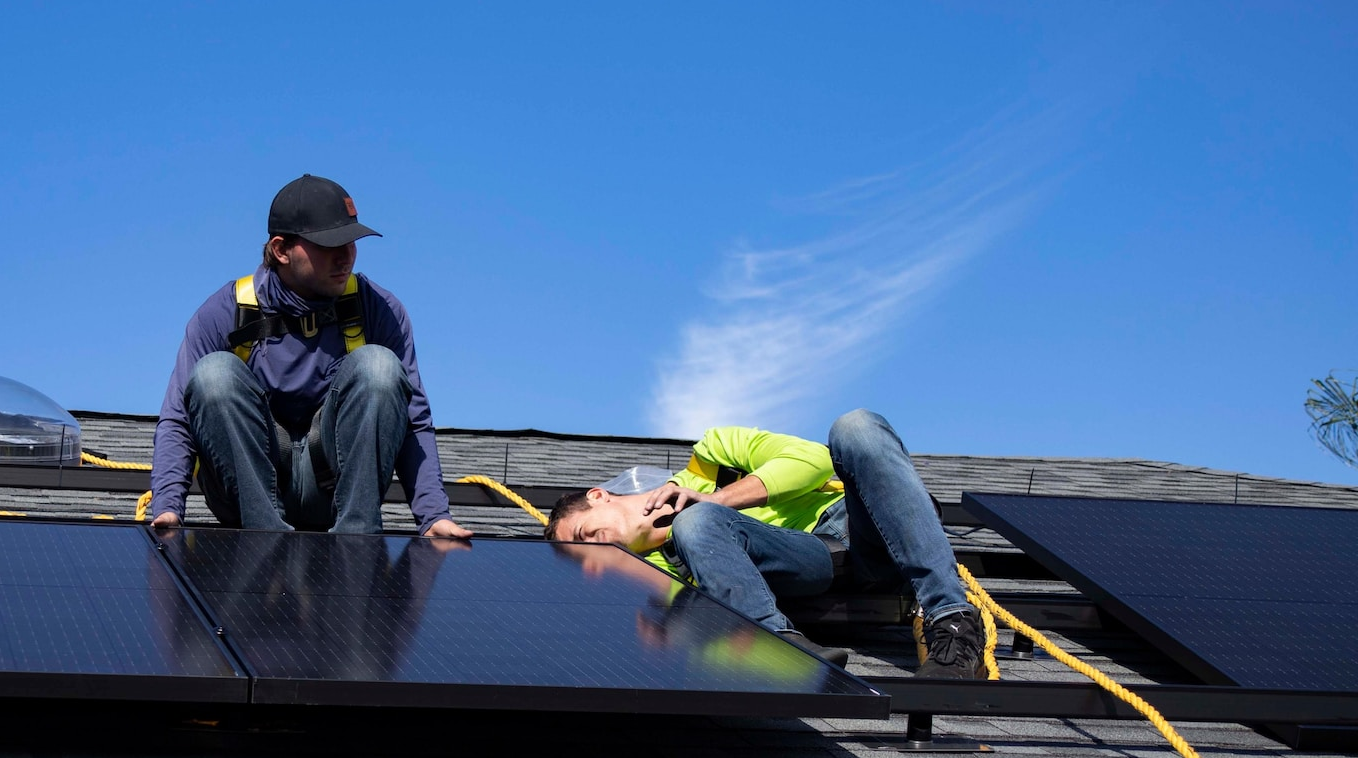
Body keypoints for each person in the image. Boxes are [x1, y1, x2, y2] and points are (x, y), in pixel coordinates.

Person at [543, 409, 989, 678]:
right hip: (814, 561)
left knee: (857, 426)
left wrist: (716, 498)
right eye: (584, 555)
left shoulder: (713, 454)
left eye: (584, 535)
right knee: (696, 524)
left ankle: (952, 624)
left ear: (598, 495)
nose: (593, 551)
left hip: (871, 525)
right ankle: (781, 645)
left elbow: (814, 461)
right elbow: (694, 628)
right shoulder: (652, 573)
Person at [149, 174, 471, 538]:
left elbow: (413, 420)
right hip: (249, 494)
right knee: (214, 376)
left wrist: (433, 515)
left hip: (332, 490)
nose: (345, 255)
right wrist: (168, 506)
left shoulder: (378, 310)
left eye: (351, 241)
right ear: (281, 249)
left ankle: (356, 547)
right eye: (328, 244)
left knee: (379, 367)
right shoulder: (227, 312)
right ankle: (264, 543)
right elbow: (178, 419)